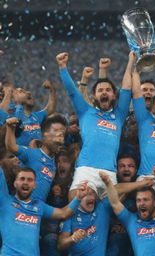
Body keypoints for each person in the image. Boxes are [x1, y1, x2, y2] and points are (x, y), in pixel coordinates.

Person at [56, 52, 134, 200]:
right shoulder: (85, 111)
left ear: (114, 96)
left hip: (109, 172)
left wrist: (130, 61)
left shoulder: (119, 114)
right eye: (100, 90)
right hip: (86, 170)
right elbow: (72, 92)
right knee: (74, 199)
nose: (104, 92)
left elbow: (126, 89)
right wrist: (62, 67)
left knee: (112, 207)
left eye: (108, 90)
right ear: (94, 96)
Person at [0, 166, 88, 256]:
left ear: (35, 185)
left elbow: (63, 214)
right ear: (15, 183)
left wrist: (78, 198)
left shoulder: (39, 206)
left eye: (30, 180)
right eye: (22, 179)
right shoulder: (5, 201)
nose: (25, 182)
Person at [100, 171, 155, 256]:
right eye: (138, 200)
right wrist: (108, 183)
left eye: (145, 200)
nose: (141, 203)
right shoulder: (131, 220)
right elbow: (115, 203)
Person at [5, 114, 67, 201]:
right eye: (56, 132)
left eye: (62, 135)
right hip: (19, 209)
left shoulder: (54, 164)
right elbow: (11, 146)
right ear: (44, 135)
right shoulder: (32, 153)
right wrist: (10, 127)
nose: (60, 138)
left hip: (36, 212)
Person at [12, 80, 57, 146]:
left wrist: (52, 90)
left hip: (37, 154)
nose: (29, 92)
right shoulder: (10, 116)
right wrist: (18, 103)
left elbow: (50, 109)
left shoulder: (35, 116)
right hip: (21, 155)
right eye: (21, 91)